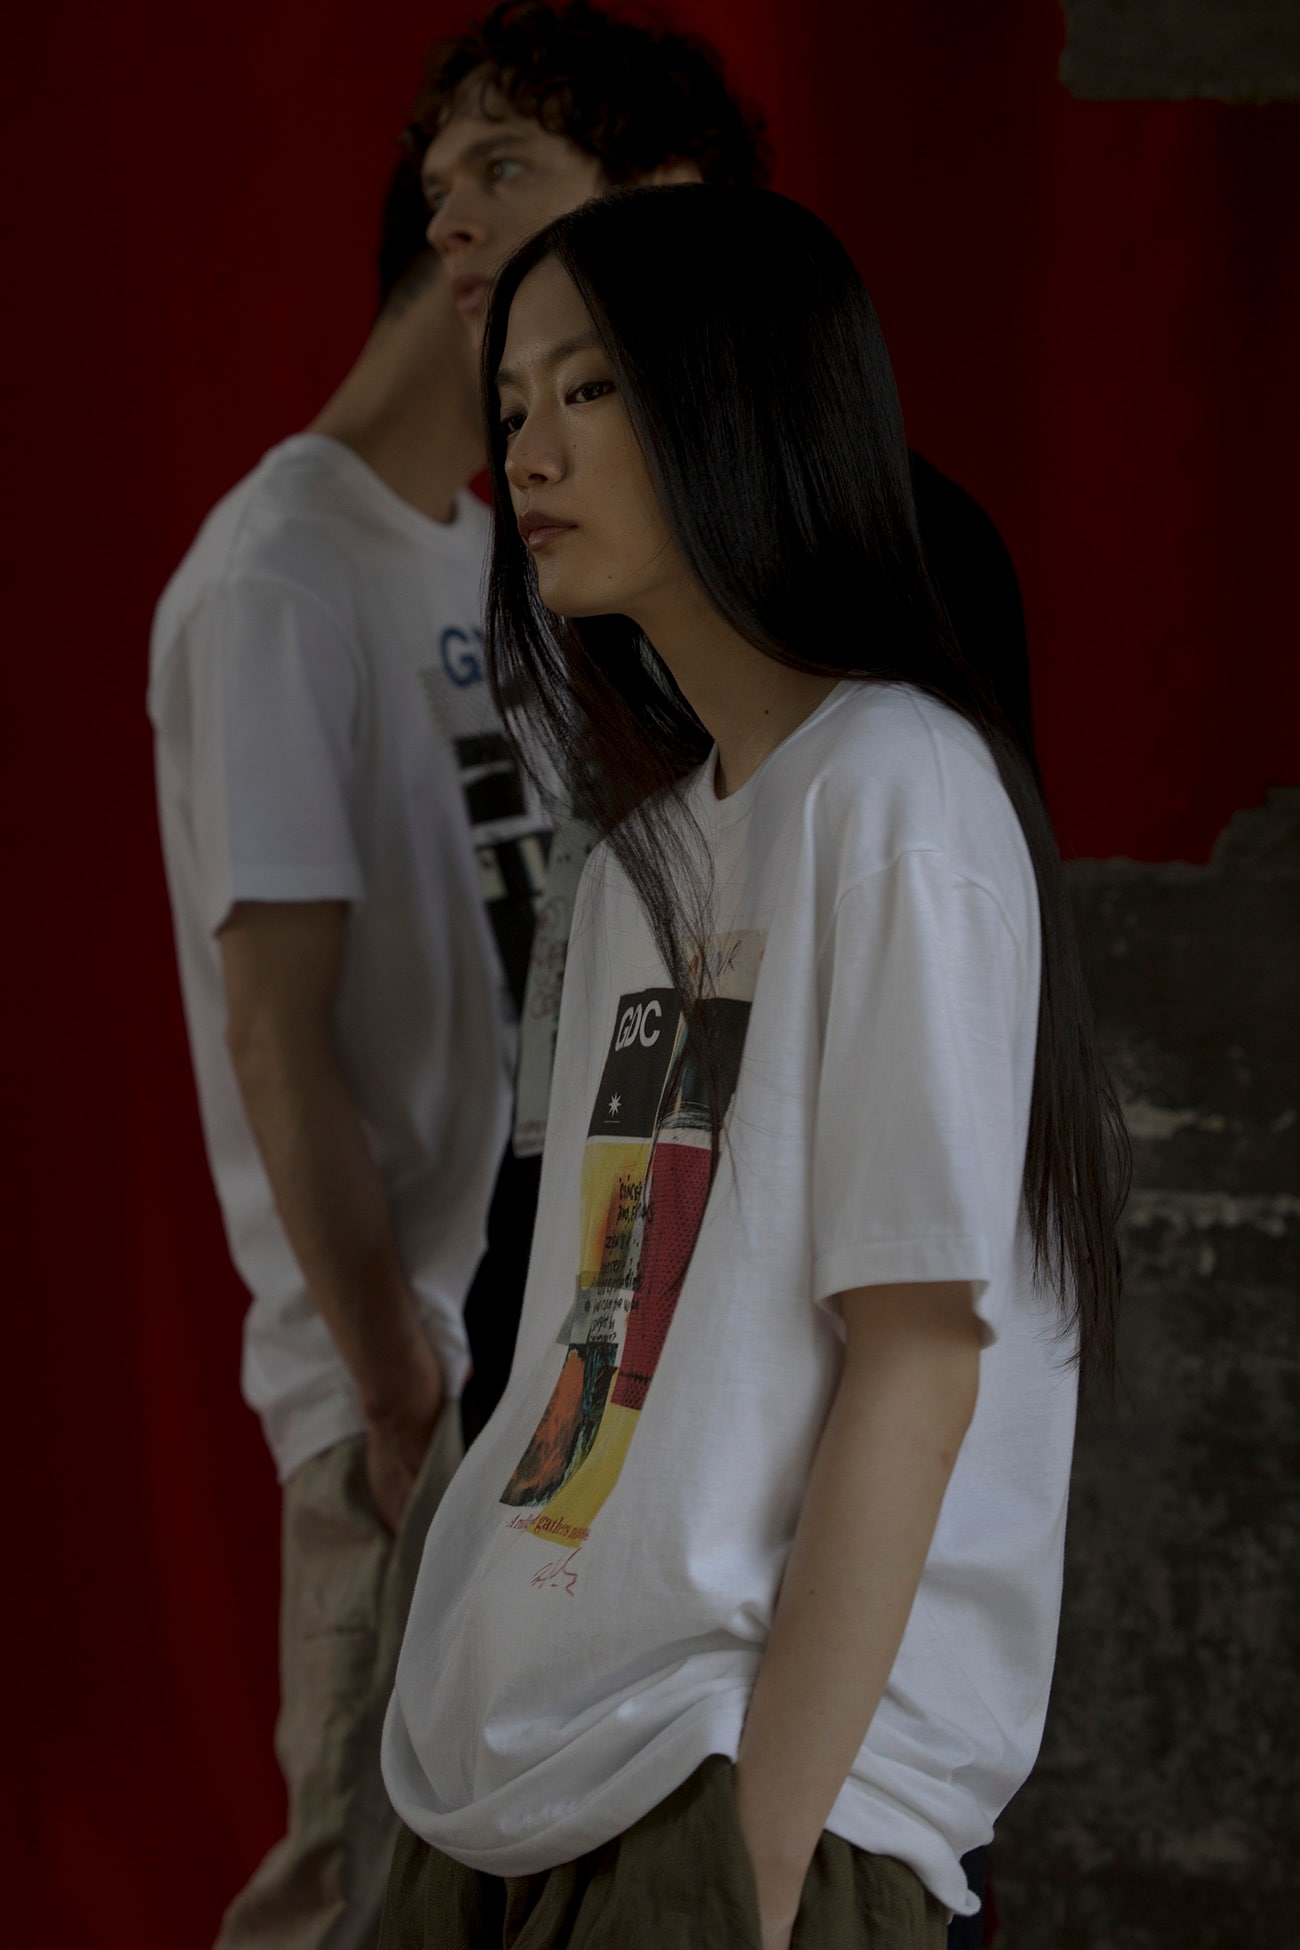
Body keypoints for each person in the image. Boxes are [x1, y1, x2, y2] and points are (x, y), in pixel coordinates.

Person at [379, 185, 1129, 1950]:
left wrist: (765, 1859)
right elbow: (605, 1335)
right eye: (513, 405)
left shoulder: (897, 792)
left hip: (737, 1793)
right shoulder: (648, 857)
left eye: (591, 389)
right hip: (519, 1774)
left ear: (743, 403)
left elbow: (919, 1362)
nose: (529, 453)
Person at [147, 160, 550, 1948]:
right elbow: (271, 1024)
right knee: (357, 1908)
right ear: (469, 259)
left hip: (526, 1360)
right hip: (409, 1384)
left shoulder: (494, 544)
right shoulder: (278, 571)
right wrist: (394, 1391)